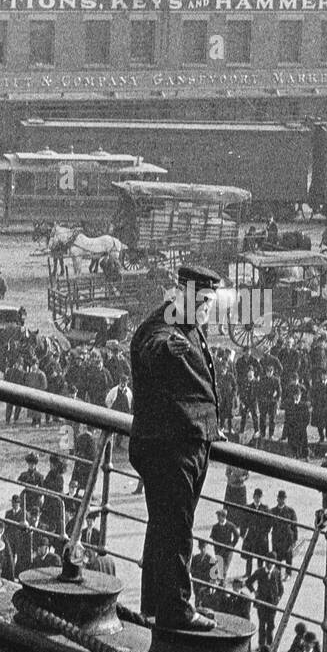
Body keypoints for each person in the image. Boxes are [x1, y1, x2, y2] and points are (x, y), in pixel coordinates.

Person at [128, 264, 224, 631]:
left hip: (189, 439)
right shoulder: (165, 328)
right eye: (202, 303)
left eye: (209, 304)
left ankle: (155, 603)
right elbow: (155, 347)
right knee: (177, 528)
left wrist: (213, 427)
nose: (206, 311)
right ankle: (177, 608)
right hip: (172, 446)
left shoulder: (186, 325)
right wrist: (169, 348)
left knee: (164, 526)